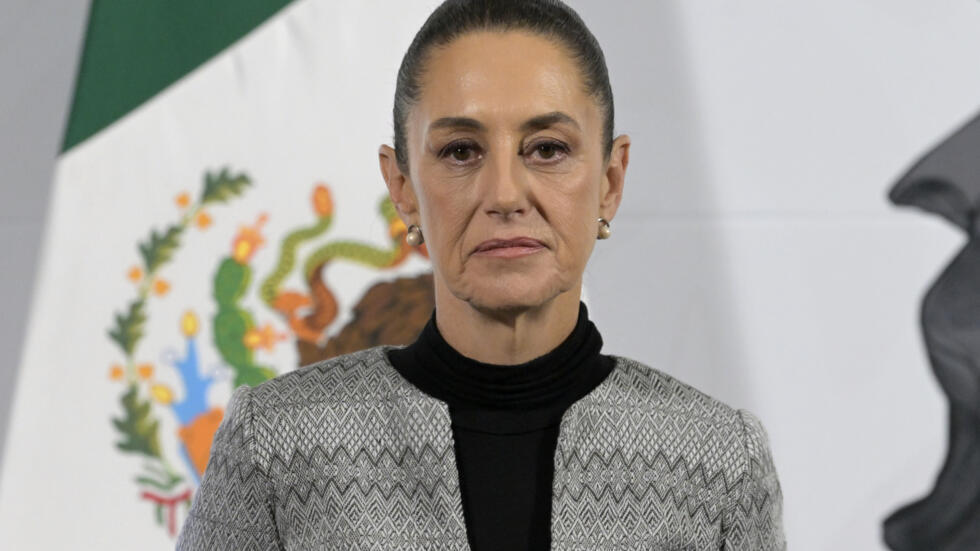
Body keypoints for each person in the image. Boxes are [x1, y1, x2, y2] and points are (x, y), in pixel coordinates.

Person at [176, 0, 787, 549]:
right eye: (461, 151)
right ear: (403, 187)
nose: (504, 194)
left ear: (610, 180)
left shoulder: (717, 464)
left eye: (547, 148)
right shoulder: (278, 446)